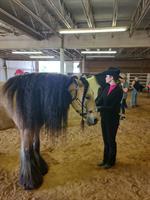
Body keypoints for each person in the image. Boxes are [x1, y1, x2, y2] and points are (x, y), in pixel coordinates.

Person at [96, 67, 123, 169]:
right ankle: (105, 160)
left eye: (107, 76)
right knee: (105, 140)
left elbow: (112, 107)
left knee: (111, 140)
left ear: (111, 77)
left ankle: (111, 161)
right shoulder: (106, 88)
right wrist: (93, 103)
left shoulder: (118, 91)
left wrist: (99, 108)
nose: (105, 78)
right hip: (104, 118)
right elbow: (100, 100)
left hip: (112, 119)